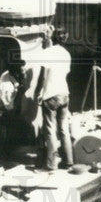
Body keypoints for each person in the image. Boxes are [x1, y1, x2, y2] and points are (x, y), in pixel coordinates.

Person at [36, 29, 74, 170]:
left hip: (51, 96)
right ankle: (68, 161)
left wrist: (37, 93)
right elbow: (65, 74)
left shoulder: (48, 52)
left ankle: (52, 164)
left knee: (50, 130)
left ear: (51, 38)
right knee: (64, 129)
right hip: (64, 94)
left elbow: (43, 77)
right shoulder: (67, 54)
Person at [0, 57, 33, 154]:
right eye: (23, 71)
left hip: (8, 108)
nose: (25, 72)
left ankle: (13, 145)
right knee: (22, 124)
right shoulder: (6, 86)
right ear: (16, 73)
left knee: (23, 122)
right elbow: (10, 109)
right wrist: (20, 93)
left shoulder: (9, 74)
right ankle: (5, 149)